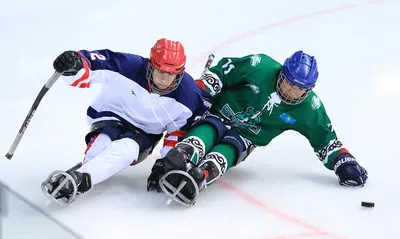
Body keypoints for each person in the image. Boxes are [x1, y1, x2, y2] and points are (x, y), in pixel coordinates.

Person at [146, 51, 368, 207]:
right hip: (219, 114)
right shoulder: (259, 65)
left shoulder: (310, 108)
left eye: (300, 89)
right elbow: (223, 71)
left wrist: (344, 162)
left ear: (309, 90)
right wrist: (203, 93)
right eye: (289, 82)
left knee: (223, 153)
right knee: (204, 133)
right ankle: (178, 157)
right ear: (282, 72)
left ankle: (201, 175)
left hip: (245, 137)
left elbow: (325, 139)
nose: (291, 91)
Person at [41, 38, 207, 205]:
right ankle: (84, 176)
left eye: (171, 74)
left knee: (127, 149)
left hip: (144, 136)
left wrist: (167, 161)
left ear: (179, 72)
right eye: (160, 72)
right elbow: (93, 64)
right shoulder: (129, 65)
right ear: (151, 65)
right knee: (102, 144)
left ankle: (82, 177)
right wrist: (75, 64)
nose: (164, 79)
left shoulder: (189, 95)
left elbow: (177, 132)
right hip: (111, 117)